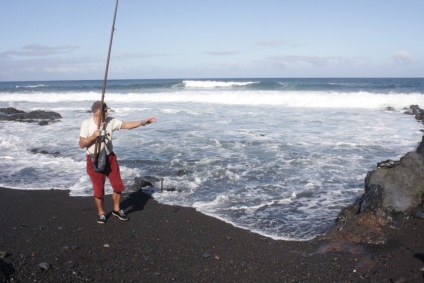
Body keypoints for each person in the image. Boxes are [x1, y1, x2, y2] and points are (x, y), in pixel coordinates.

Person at [79, 101, 157, 224]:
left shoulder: (110, 121)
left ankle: (117, 209)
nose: (107, 113)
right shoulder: (86, 124)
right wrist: (93, 137)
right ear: (96, 112)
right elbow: (82, 144)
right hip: (94, 159)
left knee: (118, 186)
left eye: (107, 111)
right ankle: (101, 213)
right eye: (104, 111)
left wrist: (143, 122)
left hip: (110, 158)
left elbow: (126, 125)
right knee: (98, 190)